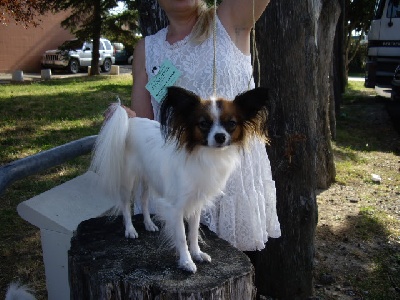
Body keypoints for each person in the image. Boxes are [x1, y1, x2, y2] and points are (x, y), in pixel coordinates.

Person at [126, 0, 281, 251]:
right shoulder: (147, 49)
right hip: (179, 177)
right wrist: (122, 119)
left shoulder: (230, 19)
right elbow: (145, 123)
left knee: (234, 270)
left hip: (232, 174)